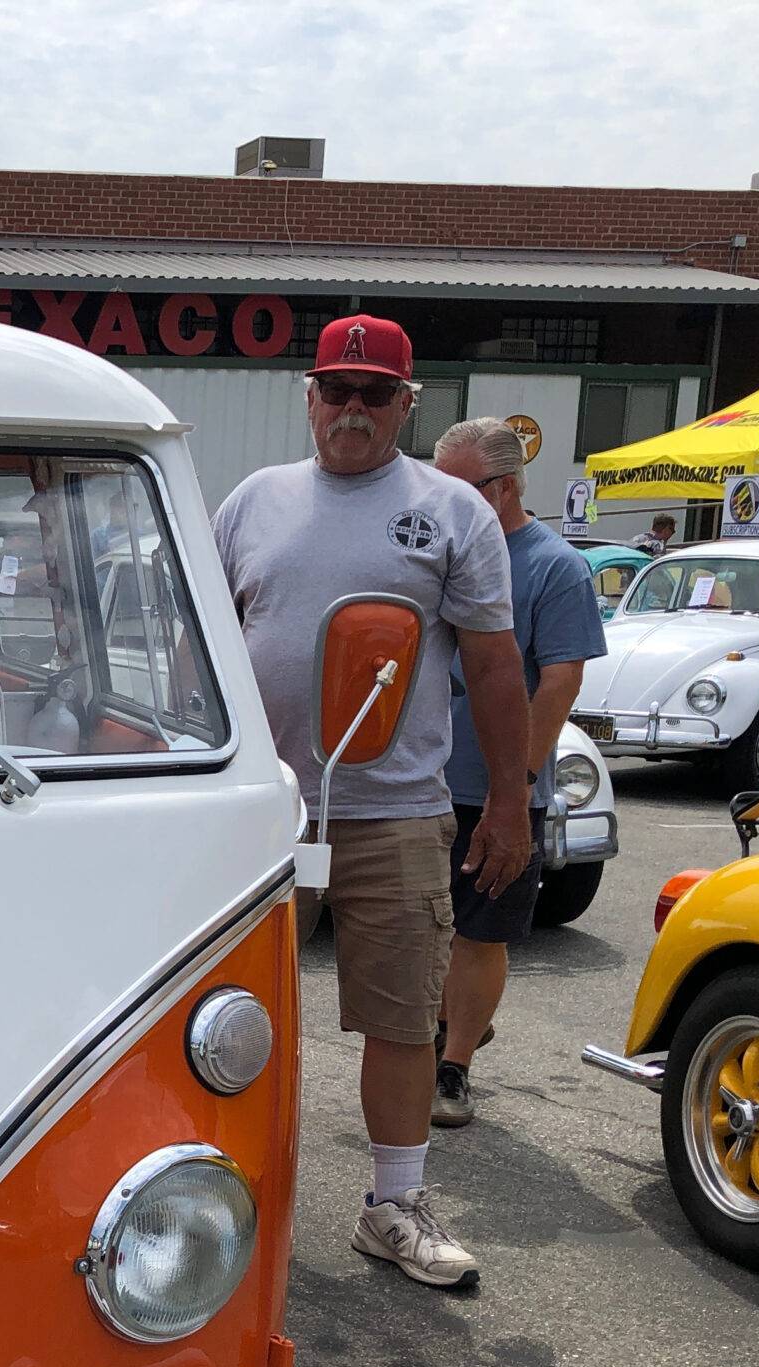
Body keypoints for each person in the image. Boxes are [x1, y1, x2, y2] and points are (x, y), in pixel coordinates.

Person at [212, 315, 532, 1290]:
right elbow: (206, 650)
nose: (352, 410)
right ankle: (217, 1197)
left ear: (405, 404)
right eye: (335, 390)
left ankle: (392, 1205)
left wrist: (509, 804)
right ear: (309, 396)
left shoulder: (452, 513)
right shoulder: (252, 503)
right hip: (261, 812)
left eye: (374, 394)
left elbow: (491, 665)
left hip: (395, 810)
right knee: (229, 1016)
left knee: (400, 1018)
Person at [427, 419, 609, 1129]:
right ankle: (457, 1021)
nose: (436, 500)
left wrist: (518, 781)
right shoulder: (434, 550)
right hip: (420, 782)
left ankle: (454, 1064)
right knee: (426, 928)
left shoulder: (553, 566)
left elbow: (561, 678)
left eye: (454, 487)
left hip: (493, 789)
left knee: (479, 931)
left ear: (500, 489)